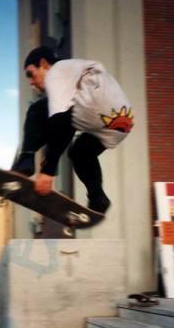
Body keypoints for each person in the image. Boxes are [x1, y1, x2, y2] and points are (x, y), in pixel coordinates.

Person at [12, 46, 134, 213]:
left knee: (37, 110)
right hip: (122, 122)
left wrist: (48, 171)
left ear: (44, 63)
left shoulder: (57, 71)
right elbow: (63, 126)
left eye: (30, 74)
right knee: (80, 153)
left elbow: (62, 122)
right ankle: (98, 198)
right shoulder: (75, 73)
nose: (31, 82)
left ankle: (25, 161)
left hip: (95, 104)